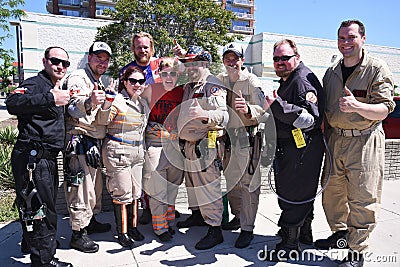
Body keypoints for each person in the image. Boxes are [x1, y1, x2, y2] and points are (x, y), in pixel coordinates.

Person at [315, 20, 395, 267]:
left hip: (364, 141)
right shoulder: (332, 71)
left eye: (351, 37)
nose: (346, 43)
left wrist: (357, 106)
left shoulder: (376, 69)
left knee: (363, 198)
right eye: (341, 38)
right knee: (332, 193)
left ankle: (356, 253)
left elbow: (385, 108)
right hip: (336, 139)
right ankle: (340, 235)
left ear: (363, 38)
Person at [6, 46, 73, 266]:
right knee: (43, 211)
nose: (60, 66)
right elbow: (12, 103)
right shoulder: (36, 84)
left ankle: (33, 243)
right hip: (34, 158)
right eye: (55, 61)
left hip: (47, 158)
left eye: (65, 63)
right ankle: (43, 259)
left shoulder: (55, 86)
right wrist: (49, 99)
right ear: (45, 61)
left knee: (33, 206)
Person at [261, 39, 325, 262]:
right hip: (292, 148)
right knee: (298, 192)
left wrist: (276, 105)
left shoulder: (302, 81)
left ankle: (290, 244)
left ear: (296, 58)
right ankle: (303, 233)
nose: (280, 62)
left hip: (302, 150)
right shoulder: (289, 79)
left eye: (285, 58)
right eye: (276, 58)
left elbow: (311, 120)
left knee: (294, 194)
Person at [120, 32, 182, 224]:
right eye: (138, 46)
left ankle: (162, 211)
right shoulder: (127, 71)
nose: (142, 50)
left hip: (166, 133)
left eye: (146, 46)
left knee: (166, 178)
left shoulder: (159, 65)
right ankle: (148, 211)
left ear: (152, 48)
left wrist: (183, 54)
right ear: (133, 49)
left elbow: (183, 68)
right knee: (146, 176)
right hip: (140, 129)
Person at [63, 41, 116, 253]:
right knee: (81, 190)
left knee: (94, 188)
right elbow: (73, 109)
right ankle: (78, 234)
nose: (102, 62)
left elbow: (101, 119)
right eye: (98, 57)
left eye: (106, 59)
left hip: (94, 141)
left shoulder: (98, 81)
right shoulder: (79, 78)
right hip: (80, 142)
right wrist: (89, 101)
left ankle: (89, 221)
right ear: (89, 57)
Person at [175, 45, 229, 250]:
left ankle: (215, 230)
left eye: (195, 63)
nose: (190, 67)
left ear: (205, 63)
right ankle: (197, 216)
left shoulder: (212, 85)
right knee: (192, 184)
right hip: (189, 145)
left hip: (206, 146)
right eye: (188, 64)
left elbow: (224, 116)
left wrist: (205, 116)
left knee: (208, 188)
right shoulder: (190, 86)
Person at [216, 43, 268, 248]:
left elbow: (264, 112)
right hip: (229, 141)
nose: (231, 62)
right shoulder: (220, 80)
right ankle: (238, 218)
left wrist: (248, 110)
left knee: (248, 186)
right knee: (232, 184)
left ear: (242, 60)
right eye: (227, 58)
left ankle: (247, 228)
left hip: (248, 140)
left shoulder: (252, 82)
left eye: (235, 58)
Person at [102, 66, 149, 247]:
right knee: (122, 193)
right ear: (125, 82)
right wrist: (107, 101)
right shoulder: (118, 100)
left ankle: (133, 227)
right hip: (118, 151)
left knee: (136, 192)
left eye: (140, 81)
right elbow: (103, 120)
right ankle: (122, 232)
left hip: (136, 153)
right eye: (133, 81)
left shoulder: (142, 103)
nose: (137, 85)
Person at [142, 58, 185, 242]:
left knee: (173, 187)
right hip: (155, 143)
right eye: (165, 73)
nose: (169, 77)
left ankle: (169, 221)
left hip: (175, 145)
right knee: (157, 187)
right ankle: (160, 228)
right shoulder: (150, 90)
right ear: (159, 73)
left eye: (173, 73)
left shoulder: (182, 92)